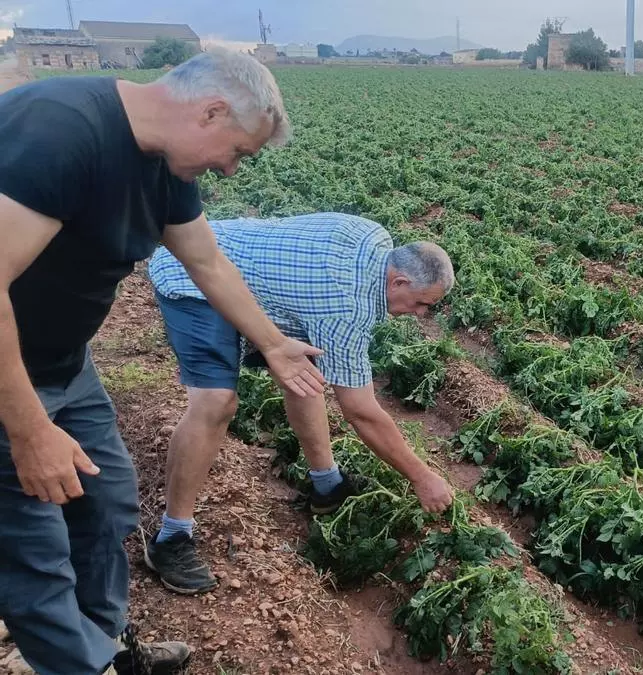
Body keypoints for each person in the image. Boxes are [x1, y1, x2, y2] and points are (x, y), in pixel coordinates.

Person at [0, 49, 329, 675]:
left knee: (108, 500)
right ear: (210, 111)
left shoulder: (163, 166)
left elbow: (207, 262)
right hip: (8, 376)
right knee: (33, 547)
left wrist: (273, 342)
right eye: (239, 152)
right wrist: (28, 430)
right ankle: (79, 663)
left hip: (63, 363)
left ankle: (107, 647)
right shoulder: (62, 131)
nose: (232, 171)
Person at [144, 213, 457, 595]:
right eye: (422, 303)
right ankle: (172, 538)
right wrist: (422, 478)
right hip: (193, 276)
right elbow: (360, 411)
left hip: (257, 279)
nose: (421, 314)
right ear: (399, 281)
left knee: (305, 374)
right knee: (217, 402)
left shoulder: (375, 237)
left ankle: (326, 484)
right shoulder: (346, 304)